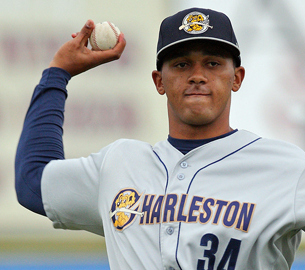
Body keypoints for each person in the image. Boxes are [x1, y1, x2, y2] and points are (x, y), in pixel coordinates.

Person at [15, 7, 305, 270]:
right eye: (181, 64)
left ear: (237, 78)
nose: (197, 76)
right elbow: (32, 181)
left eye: (213, 63)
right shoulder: (120, 165)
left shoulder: (286, 168)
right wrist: (57, 73)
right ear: (159, 81)